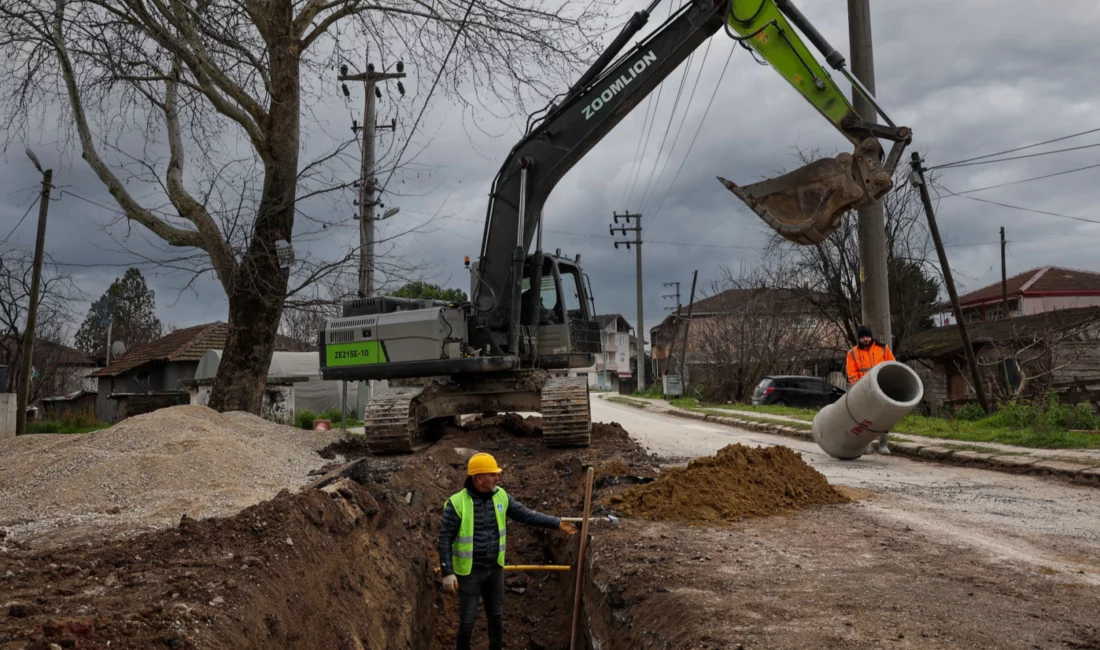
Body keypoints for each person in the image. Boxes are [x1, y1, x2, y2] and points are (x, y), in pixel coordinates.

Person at [437, 452, 579, 650]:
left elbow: (526, 515)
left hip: (495, 569)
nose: (498, 478)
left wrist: (557, 523)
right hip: (470, 572)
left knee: (496, 617)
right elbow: (444, 539)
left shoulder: (501, 496)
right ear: (479, 479)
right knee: (468, 621)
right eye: (493, 474)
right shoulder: (456, 504)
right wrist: (447, 572)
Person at [846, 324, 896, 455]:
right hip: (865, 390)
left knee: (884, 416)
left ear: (871, 337)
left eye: (867, 336)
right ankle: (867, 445)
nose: (866, 339)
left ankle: (883, 445)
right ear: (859, 339)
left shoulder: (883, 349)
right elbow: (852, 373)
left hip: (882, 388)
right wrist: (859, 387)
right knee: (866, 419)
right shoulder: (852, 353)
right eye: (863, 337)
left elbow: (892, 365)